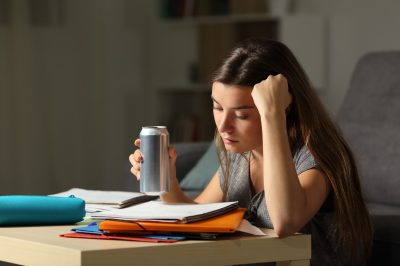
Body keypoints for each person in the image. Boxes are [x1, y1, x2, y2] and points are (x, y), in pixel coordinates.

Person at [129, 38, 373, 265]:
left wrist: (273, 114)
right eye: (217, 107)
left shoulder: (315, 157)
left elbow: (284, 222)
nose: (223, 126)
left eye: (242, 114)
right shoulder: (241, 157)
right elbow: (196, 213)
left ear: (282, 108)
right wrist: (168, 181)